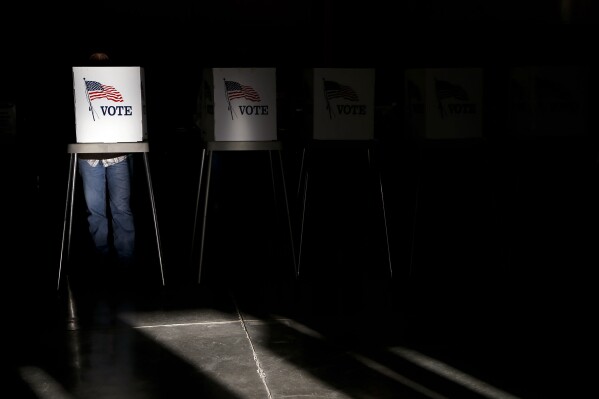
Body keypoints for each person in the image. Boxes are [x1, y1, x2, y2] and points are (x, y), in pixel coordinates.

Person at [78, 51, 135, 269]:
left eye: (104, 58)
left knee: (122, 209)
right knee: (95, 211)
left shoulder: (120, 84)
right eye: (95, 58)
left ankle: (126, 261)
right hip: (89, 155)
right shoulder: (81, 82)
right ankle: (100, 262)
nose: (100, 62)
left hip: (117, 154)